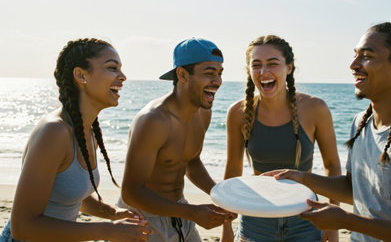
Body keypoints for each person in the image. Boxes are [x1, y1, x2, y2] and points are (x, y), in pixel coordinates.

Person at [265, 22, 391, 241]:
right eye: (355, 55)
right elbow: (354, 189)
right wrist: (303, 178)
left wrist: (347, 221)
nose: (353, 65)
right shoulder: (361, 122)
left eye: (367, 56)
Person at [0, 38, 151, 242]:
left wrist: (114, 213)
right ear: (81, 75)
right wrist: (108, 230)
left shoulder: (87, 131)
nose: (122, 77)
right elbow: (23, 227)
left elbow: (71, 194)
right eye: (112, 68)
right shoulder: (54, 132)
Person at [222, 35, 342, 242]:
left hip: (306, 216)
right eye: (256, 65)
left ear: (289, 67)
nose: (264, 72)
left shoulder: (315, 108)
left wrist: (333, 225)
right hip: (255, 215)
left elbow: (331, 165)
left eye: (273, 64)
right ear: (249, 70)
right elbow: (233, 170)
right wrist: (226, 227)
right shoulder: (238, 112)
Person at [118, 37, 233, 242]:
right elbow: (131, 192)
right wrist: (191, 212)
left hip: (180, 212)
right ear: (182, 74)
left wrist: (219, 195)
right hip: (142, 219)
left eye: (219, 73)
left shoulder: (203, 113)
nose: (217, 81)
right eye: (209, 73)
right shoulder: (153, 120)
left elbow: (191, 161)